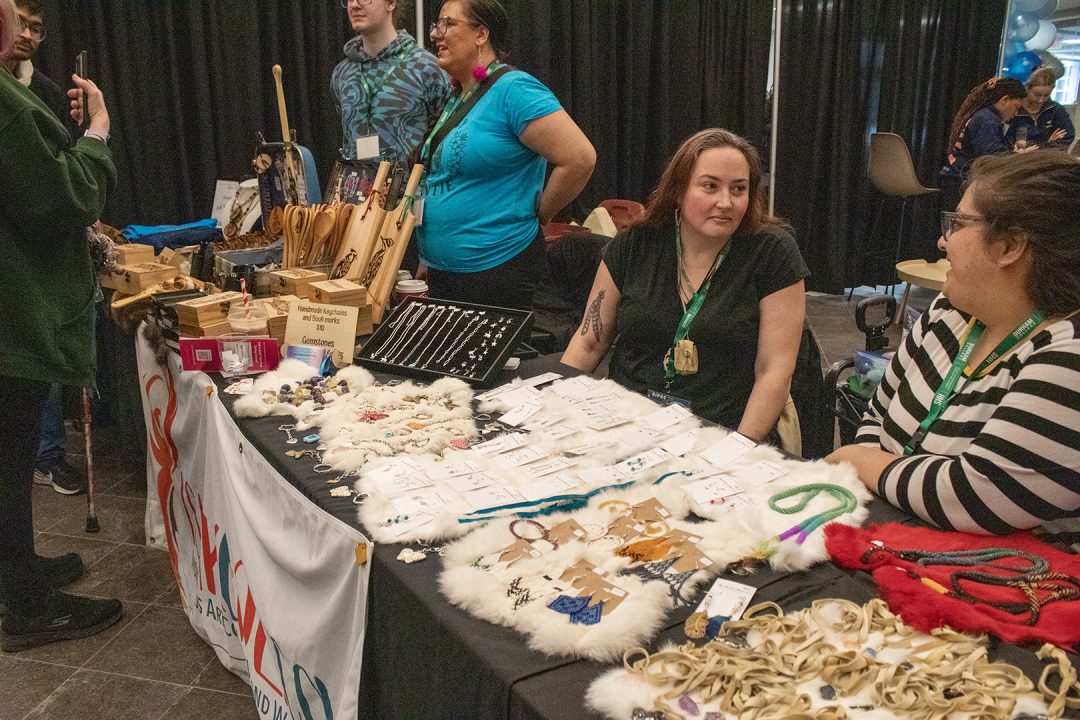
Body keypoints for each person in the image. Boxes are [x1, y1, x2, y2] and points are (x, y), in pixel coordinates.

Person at [827, 152, 1080, 538]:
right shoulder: (951, 311)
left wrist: (856, 460)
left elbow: (971, 493)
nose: (943, 240)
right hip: (888, 540)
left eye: (959, 224)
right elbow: (878, 415)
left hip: (981, 581)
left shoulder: (1066, 356)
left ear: (1009, 245)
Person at [0, 0, 122, 650]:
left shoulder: (29, 91)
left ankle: (18, 570)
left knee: (11, 460)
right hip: (12, 315)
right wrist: (98, 129)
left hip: (16, 308)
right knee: (9, 456)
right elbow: (63, 195)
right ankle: (25, 605)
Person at [561, 129, 808, 443]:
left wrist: (736, 452)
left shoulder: (773, 252)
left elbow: (774, 371)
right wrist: (554, 413)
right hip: (624, 426)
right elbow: (588, 344)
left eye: (739, 189)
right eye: (710, 186)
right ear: (678, 190)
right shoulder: (635, 243)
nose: (726, 202)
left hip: (720, 432)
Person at [416, 0, 596, 310]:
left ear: (481, 34)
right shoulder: (457, 97)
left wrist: (541, 212)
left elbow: (580, 159)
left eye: (448, 24)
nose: (436, 34)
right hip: (444, 271)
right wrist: (429, 256)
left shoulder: (515, 90)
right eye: (436, 25)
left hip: (496, 270)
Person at [2, 0, 82, 494]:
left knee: (38, 366)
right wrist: (98, 131)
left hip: (41, 250)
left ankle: (47, 452)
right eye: (19, 23)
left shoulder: (47, 91)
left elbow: (65, 168)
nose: (28, 34)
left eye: (37, 27)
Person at [331, 0, 450, 168]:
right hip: (357, 190)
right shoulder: (342, 73)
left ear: (391, 3)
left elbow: (445, 137)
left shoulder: (427, 68)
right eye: (349, 0)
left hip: (410, 192)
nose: (354, 5)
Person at [938, 77, 1027, 212]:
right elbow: (992, 155)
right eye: (1016, 107)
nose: (1015, 113)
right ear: (1005, 100)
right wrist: (1018, 156)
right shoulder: (987, 120)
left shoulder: (985, 117)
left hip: (958, 178)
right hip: (960, 180)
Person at [1006, 67, 1075, 151]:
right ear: (1027, 88)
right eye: (1037, 94)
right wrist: (1047, 143)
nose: (1041, 100)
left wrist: (1042, 148)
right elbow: (1005, 142)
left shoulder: (1056, 110)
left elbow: (1067, 138)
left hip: (1047, 159)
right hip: (1017, 160)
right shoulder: (1014, 109)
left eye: (1046, 95)